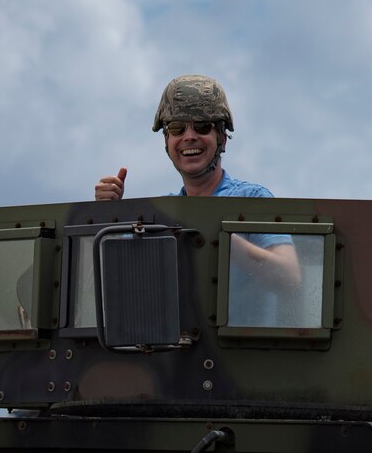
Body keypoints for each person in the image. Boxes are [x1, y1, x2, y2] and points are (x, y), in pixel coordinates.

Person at [94, 74, 300, 317]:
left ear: (222, 139)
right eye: (177, 128)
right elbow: (115, 277)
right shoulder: (164, 213)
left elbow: (290, 277)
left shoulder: (251, 200)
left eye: (202, 126)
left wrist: (220, 239)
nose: (189, 136)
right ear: (167, 141)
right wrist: (108, 214)